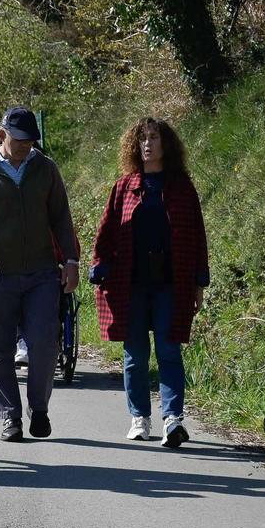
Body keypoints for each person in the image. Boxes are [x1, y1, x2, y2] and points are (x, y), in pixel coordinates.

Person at [0, 106, 80, 443]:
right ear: (2, 136)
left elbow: (61, 217)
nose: (27, 146)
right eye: (20, 140)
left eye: (31, 141)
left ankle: (38, 408)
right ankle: (9, 417)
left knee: (44, 343)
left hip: (41, 272)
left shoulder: (45, 169)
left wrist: (71, 260)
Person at [90, 118, 208, 447]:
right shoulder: (124, 187)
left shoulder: (182, 187)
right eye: (142, 139)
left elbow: (197, 237)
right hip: (132, 285)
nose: (147, 144)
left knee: (169, 352)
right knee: (135, 355)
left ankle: (173, 419)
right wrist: (99, 264)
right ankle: (139, 417)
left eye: (154, 138)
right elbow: (106, 233)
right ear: (134, 146)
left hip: (171, 284)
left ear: (165, 144)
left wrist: (199, 282)